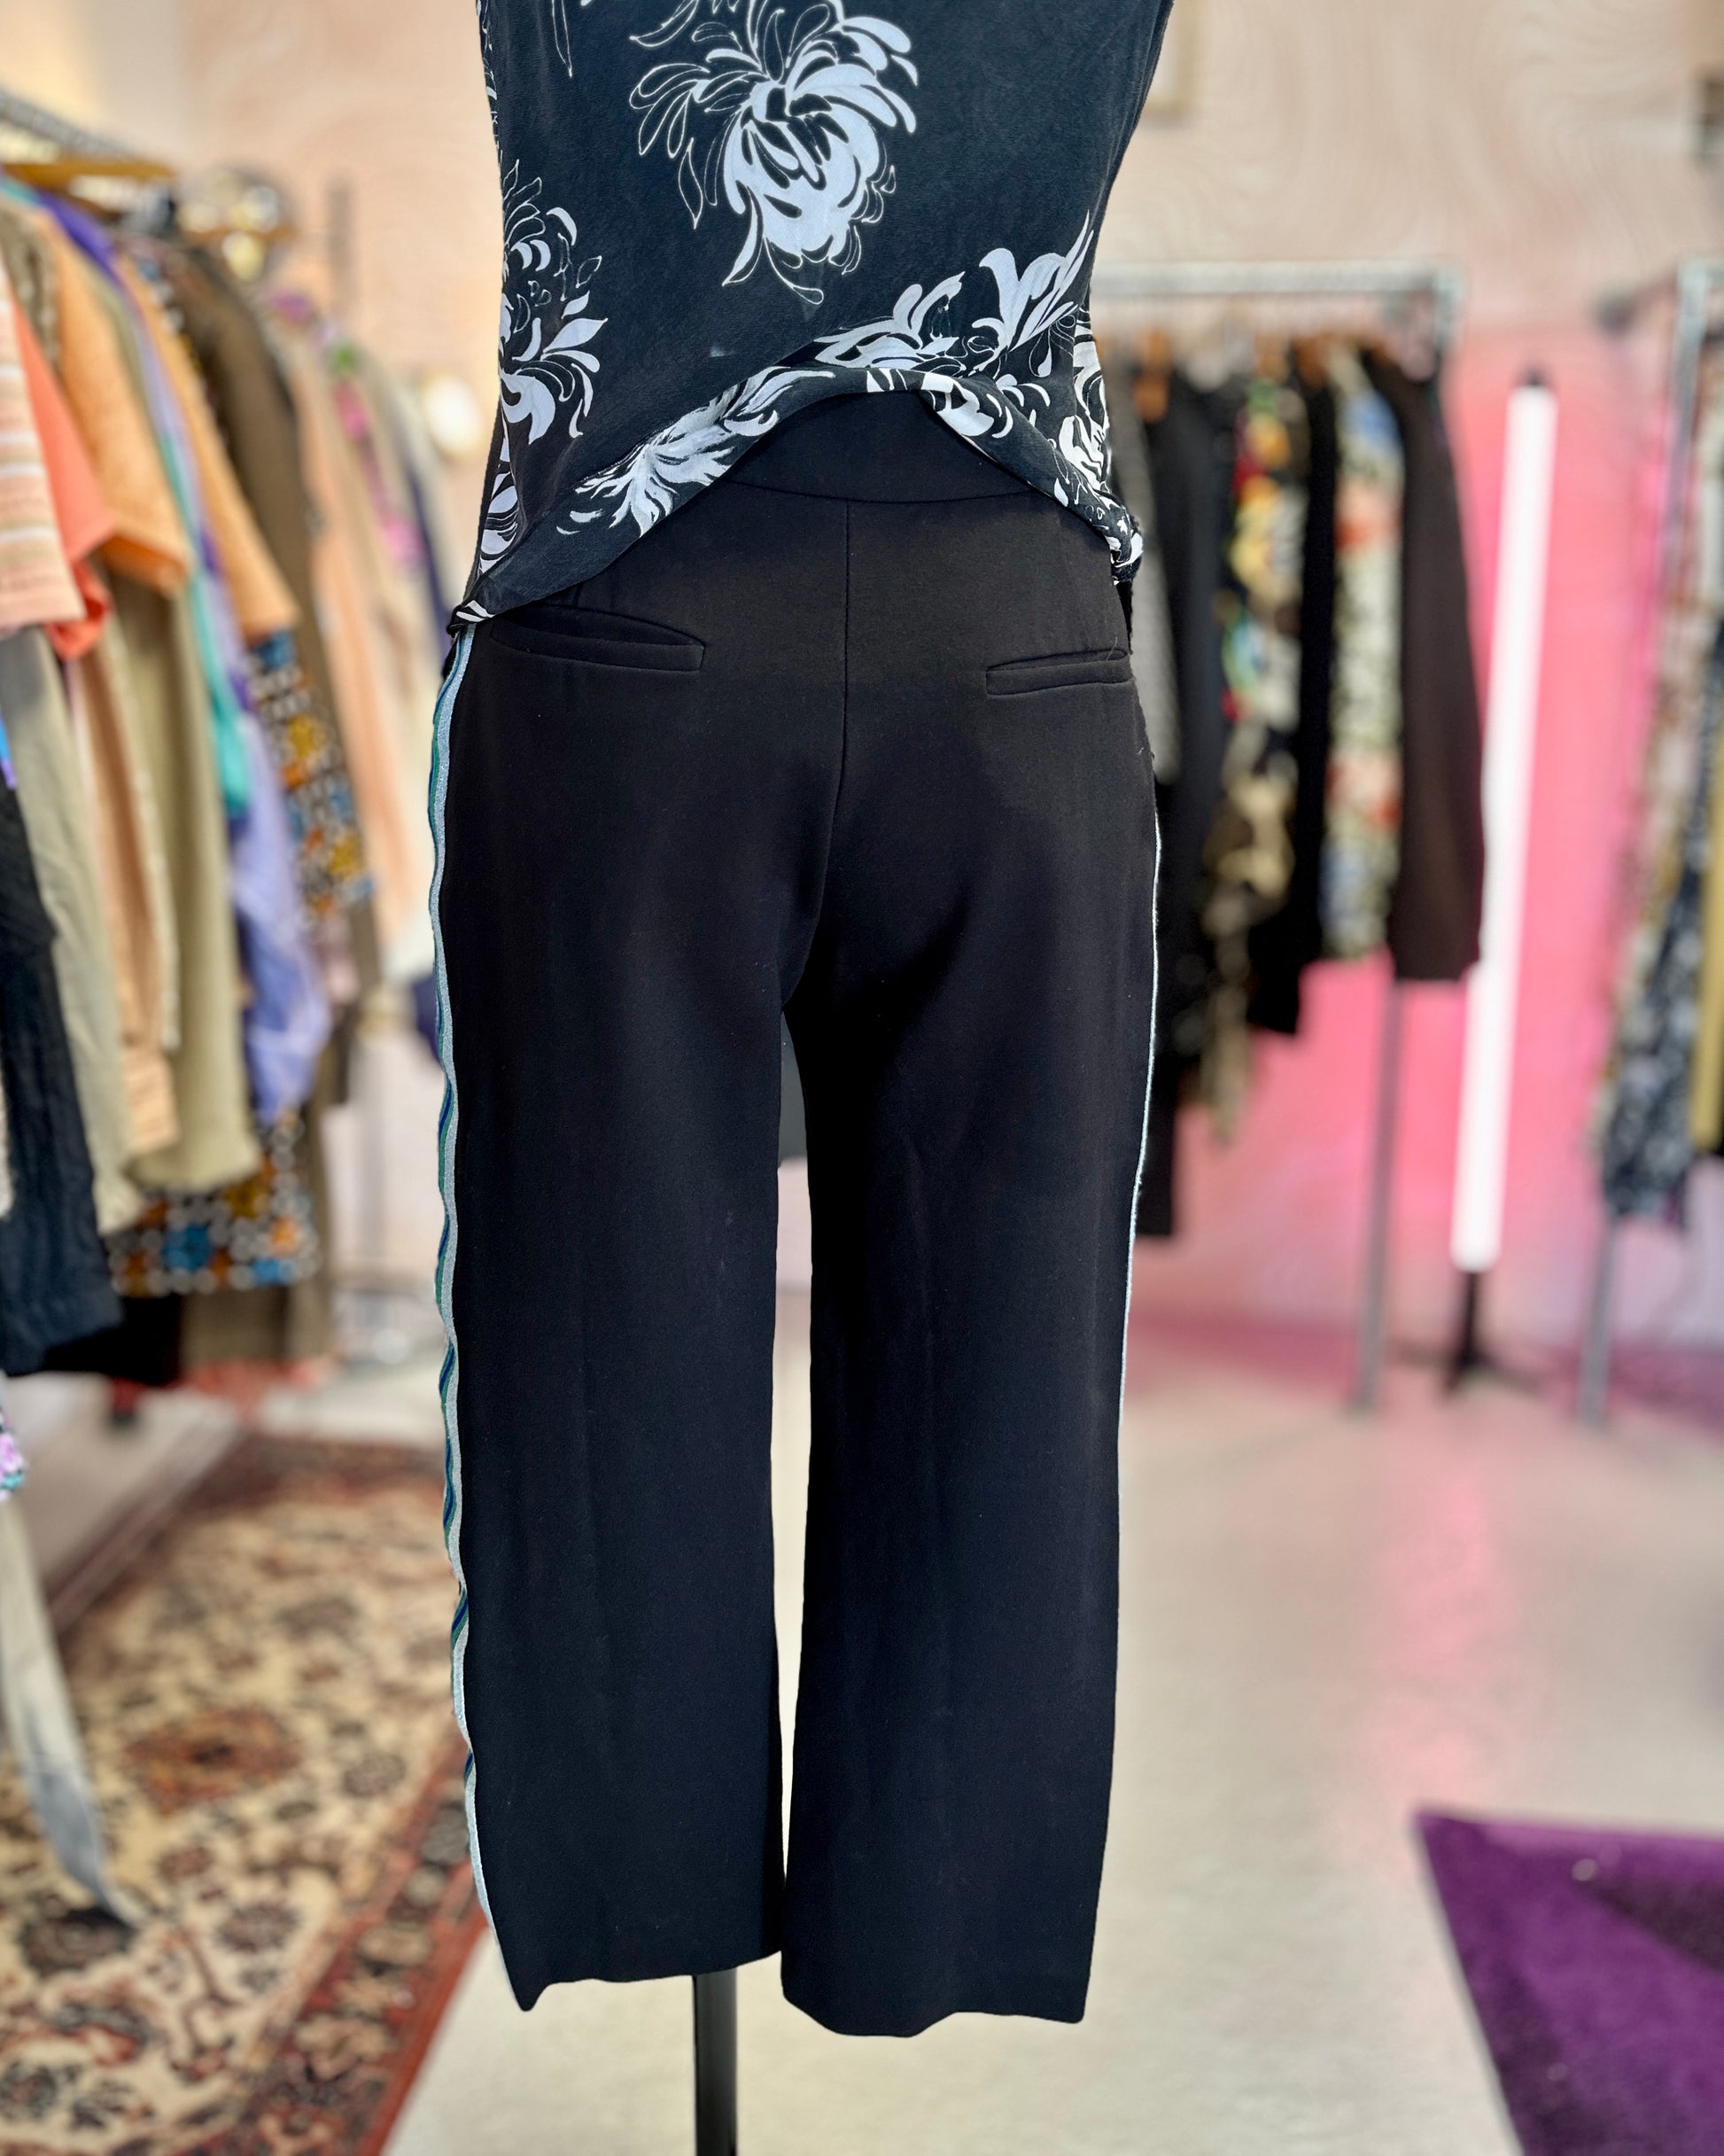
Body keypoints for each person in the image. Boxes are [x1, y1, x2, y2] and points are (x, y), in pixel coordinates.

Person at [433, 0, 1171, 2038]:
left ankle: (636, 1877)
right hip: (1009, 629)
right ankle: (924, 1919)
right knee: (1003, 1344)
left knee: (598, 1314)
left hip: (625, 596)